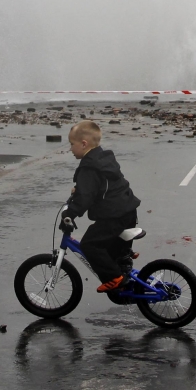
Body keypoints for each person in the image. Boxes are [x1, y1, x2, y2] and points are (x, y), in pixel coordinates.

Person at [61, 119, 143, 293]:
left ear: (83, 144)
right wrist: (81, 189)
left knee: (90, 245)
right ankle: (124, 263)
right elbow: (102, 186)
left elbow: (86, 197)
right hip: (128, 211)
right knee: (111, 247)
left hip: (114, 215)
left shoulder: (88, 168)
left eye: (71, 144)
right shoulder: (104, 159)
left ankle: (114, 277)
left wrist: (70, 214)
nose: (70, 149)